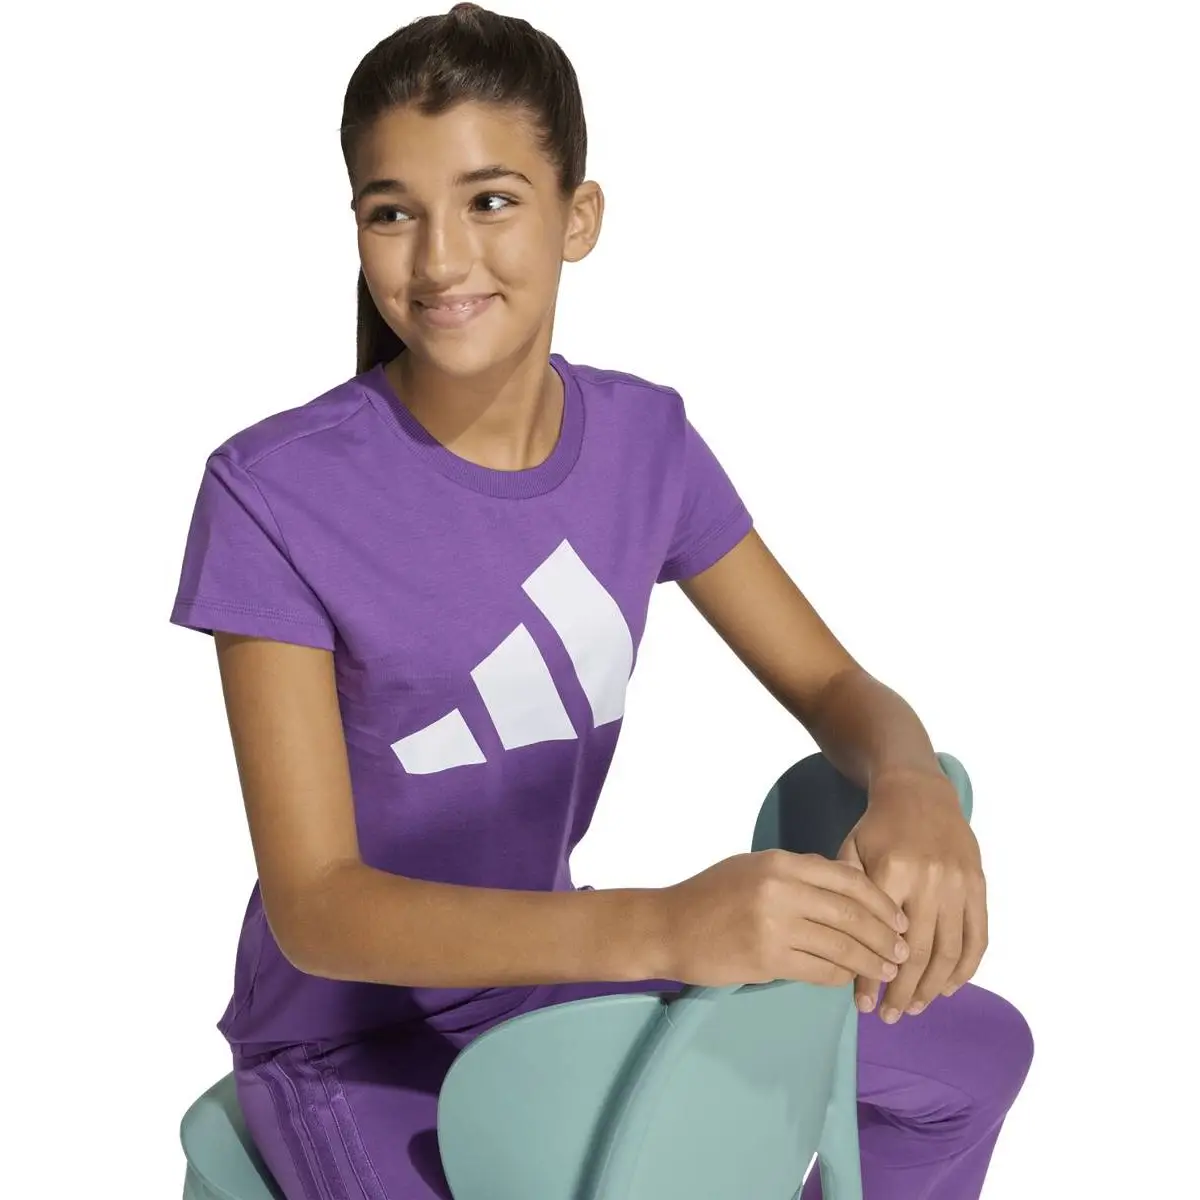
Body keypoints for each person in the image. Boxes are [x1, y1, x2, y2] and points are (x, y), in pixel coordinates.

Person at [169, 6, 1033, 1198]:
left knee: (973, 1060)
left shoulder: (644, 445)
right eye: (392, 212)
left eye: (490, 200)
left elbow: (831, 681)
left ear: (578, 217)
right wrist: (669, 929)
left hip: (557, 985)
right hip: (350, 1041)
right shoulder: (274, 492)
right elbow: (318, 907)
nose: (440, 259)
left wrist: (911, 781)